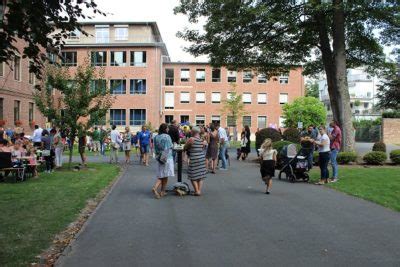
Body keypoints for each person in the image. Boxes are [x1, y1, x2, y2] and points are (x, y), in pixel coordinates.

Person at [152, 123, 175, 199]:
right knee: (165, 175)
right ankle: (157, 189)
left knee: (162, 174)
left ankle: (162, 191)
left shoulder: (156, 137)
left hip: (159, 157)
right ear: (165, 129)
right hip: (167, 157)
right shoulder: (167, 136)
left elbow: (155, 147)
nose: (168, 129)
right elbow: (170, 146)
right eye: (167, 128)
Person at [185, 126, 207, 196]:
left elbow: (185, 147)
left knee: (193, 175)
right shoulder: (202, 139)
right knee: (200, 175)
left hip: (194, 158)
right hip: (201, 157)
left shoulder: (191, 139)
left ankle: (196, 191)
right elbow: (202, 147)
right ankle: (199, 190)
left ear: (193, 132)